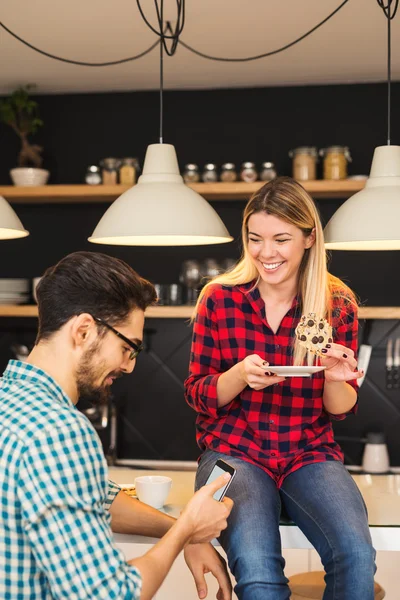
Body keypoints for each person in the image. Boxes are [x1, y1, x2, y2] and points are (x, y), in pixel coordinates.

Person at [0, 251, 234, 600]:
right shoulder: (58, 431)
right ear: (83, 331)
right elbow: (111, 595)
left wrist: (187, 533)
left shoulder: (10, 401)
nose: (129, 366)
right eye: (128, 348)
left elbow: (96, 498)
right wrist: (187, 526)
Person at [185, 177, 376, 600]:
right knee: (258, 573)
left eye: (281, 239)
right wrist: (237, 377)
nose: (265, 253)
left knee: (357, 555)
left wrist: (335, 377)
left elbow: (340, 409)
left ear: (309, 238)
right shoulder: (219, 299)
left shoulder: (336, 303)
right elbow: (197, 393)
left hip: (308, 451)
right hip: (234, 451)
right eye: (255, 239)